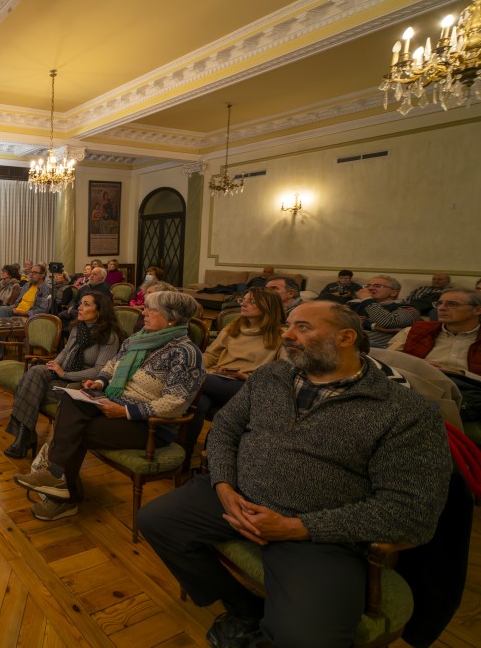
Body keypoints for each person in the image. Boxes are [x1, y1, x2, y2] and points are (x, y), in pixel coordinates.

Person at [136, 301, 451, 648]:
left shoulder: (402, 411)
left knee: (308, 638)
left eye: (303, 327)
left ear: (345, 337)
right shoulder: (273, 376)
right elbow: (226, 426)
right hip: (236, 496)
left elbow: (413, 511)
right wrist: (223, 484)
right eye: (288, 325)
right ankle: (244, 608)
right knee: (155, 520)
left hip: (318, 530)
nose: (287, 334)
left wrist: (299, 528)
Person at [12, 290, 204, 521]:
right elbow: (112, 365)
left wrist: (126, 411)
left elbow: (175, 403)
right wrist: (100, 381)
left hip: (148, 425)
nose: (144, 313)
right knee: (71, 397)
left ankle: (62, 492)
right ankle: (58, 482)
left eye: (152, 310)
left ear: (172, 318)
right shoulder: (139, 339)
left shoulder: (185, 353)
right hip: (113, 403)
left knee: (75, 429)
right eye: (146, 308)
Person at [3, 291, 127, 458]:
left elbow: (100, 370)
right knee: (34, 372)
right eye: (81, 303)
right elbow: (66, 351)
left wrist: (65, 373)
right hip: (64, 371)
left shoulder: (109, 335)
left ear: (100, 311)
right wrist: (55, 364)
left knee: (30, 387)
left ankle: (24, 436)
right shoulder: (78, 327)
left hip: (83, 381)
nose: (79, 307)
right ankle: (25, 435)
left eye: (86, 304)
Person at [183, 287, 285, 463]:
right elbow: (210, 355)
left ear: (268, 306)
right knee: (198, 402)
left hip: (250, 385)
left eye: (251, 301)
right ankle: (187, 458)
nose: (243, 303)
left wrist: (245, 377)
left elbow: (282, 374)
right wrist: (197, 366)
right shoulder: (233, 328)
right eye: (243, 300)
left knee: (195, 381)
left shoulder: (280, 335)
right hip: (219, 380)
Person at [388, 288, 481, 419]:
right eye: (439, 303)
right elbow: (388, 365)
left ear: (477, 310)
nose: (442, 308)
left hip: (469, 395)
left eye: (452, 304)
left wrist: (458, 373)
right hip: (417, 388)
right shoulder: (413, 332)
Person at [347, 275, 420, 349]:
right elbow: (339, 322)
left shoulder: (408, 309)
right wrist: (373, 326)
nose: (370, 288)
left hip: (379, 348)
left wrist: (367, 299)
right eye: (368, 285)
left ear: (393, 293)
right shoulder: (354, 304)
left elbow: (388, 323)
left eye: (378, 286)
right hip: (348, 341)